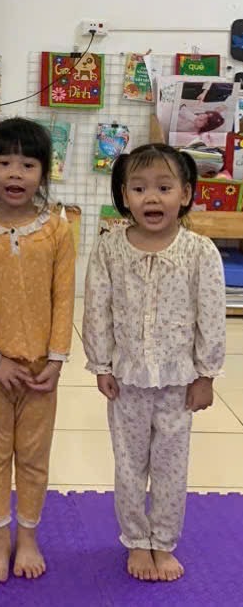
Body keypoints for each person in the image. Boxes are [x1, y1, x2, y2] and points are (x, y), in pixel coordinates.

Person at [83, 143, 226, 582]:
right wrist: (101, 365)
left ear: (185, 194)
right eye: (140, 188)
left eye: (164, 188)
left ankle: (163, 542)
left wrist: (206, 375)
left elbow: (211, 316)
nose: (152, 198)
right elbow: (97, 309)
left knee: (169, 467)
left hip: (178, 382)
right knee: (128, 465)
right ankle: (135, 540)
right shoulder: (109, 249)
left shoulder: (200, 252)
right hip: (126, 380)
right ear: (124, 195)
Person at [0, 117, 76, 583]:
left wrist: (58, 359)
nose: (15, 174)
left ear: (43, 173)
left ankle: (27, 535)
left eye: (28, 165)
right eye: (5, 163)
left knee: (33, 456)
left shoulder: (57, 231)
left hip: (42, 369)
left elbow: (64, 296)